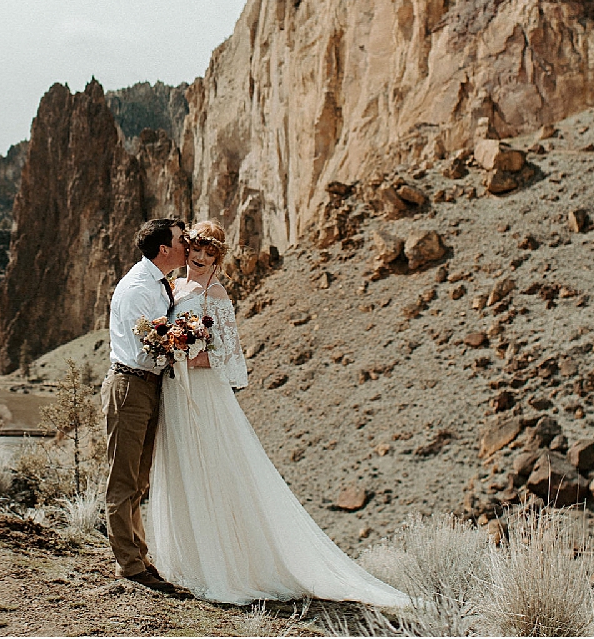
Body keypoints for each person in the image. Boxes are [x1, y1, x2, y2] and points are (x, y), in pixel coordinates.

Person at [145, 220, 411, 608]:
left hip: (201, 393)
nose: (200, 258)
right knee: (181, 467)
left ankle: (225, 567)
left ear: (217, 259)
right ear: (186, 248)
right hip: (174, 389)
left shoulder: (214, 294)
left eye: (209, 253)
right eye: (196, 249)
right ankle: (186, 560)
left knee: (211, 471)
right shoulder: (176, 288)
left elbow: (228, 356)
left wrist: (181, 352)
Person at [103, 217, 189, 594]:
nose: (187, 245)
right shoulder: (139, 287)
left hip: (147, 386)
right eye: (181, 240)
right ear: (164, 249)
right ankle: (130, 565)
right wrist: (182, 349)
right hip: (130, 386)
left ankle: (139, 556)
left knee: (139, 479)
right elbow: (145, 347)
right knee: (123, 480)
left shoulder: (157, 283)